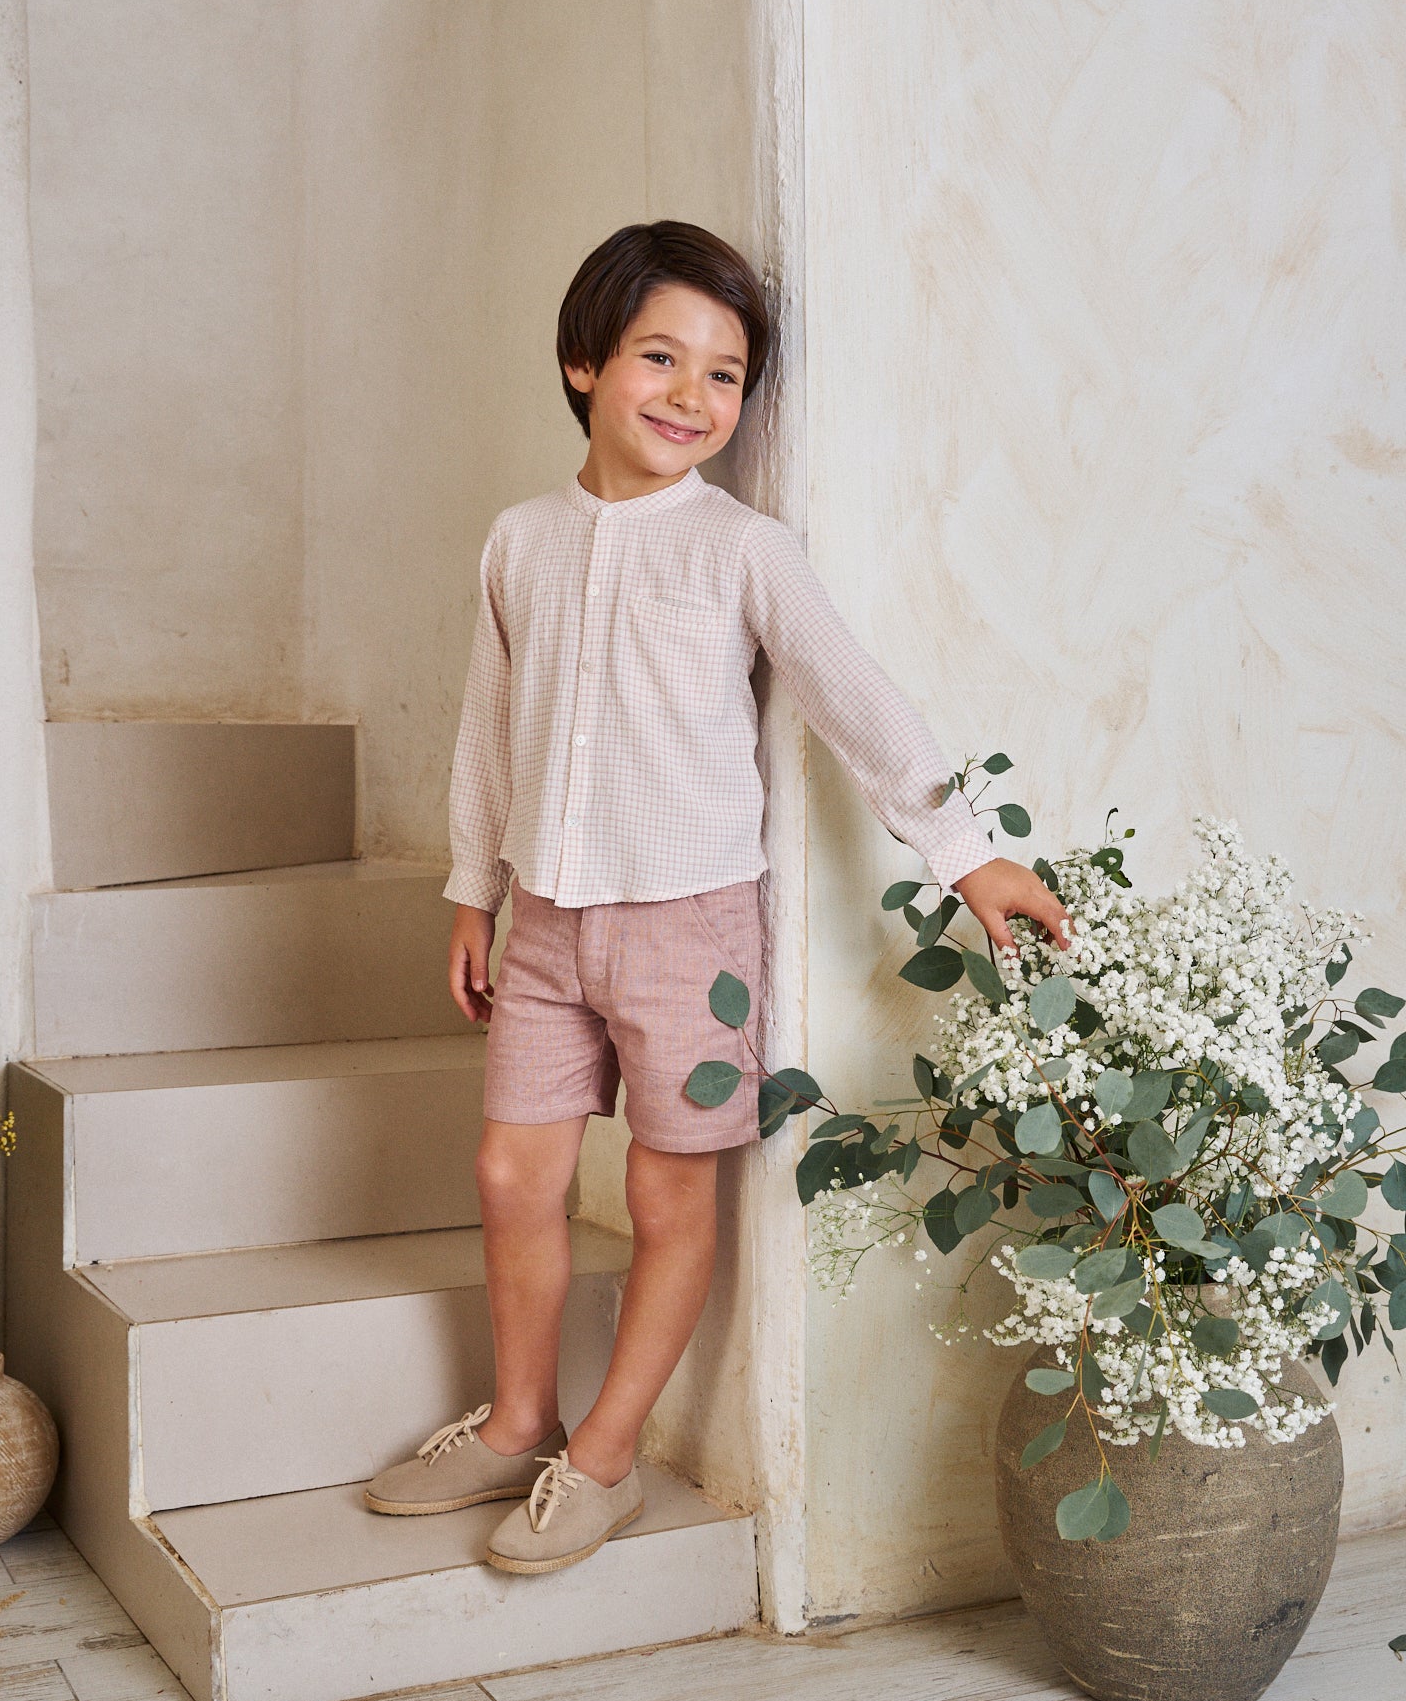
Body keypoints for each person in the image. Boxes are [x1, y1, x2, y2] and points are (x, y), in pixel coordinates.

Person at [366, 221, 1069, 1574]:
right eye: (661, 359)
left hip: (690, 931)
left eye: (727, 375)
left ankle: (609, 1457)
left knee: (673, 1194)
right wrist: (471, 892)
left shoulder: (745, 550)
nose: (694, 398)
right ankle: (519, 1420)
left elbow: (857, 700)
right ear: (583, 364)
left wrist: (964, 852)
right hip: (548, 920)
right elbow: (488, 725)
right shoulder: (520, 543)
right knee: (513, 1170)